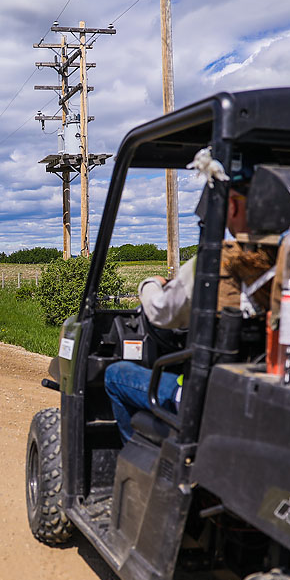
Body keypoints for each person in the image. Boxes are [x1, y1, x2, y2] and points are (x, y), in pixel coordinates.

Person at [103, 185, 258, 443]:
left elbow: (161, 312)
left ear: (231, 206)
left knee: (115, 374)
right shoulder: (289, 260)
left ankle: (133, 458)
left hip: (205, 394)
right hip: (254, 387)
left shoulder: (217, 261)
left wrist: (150, 284)